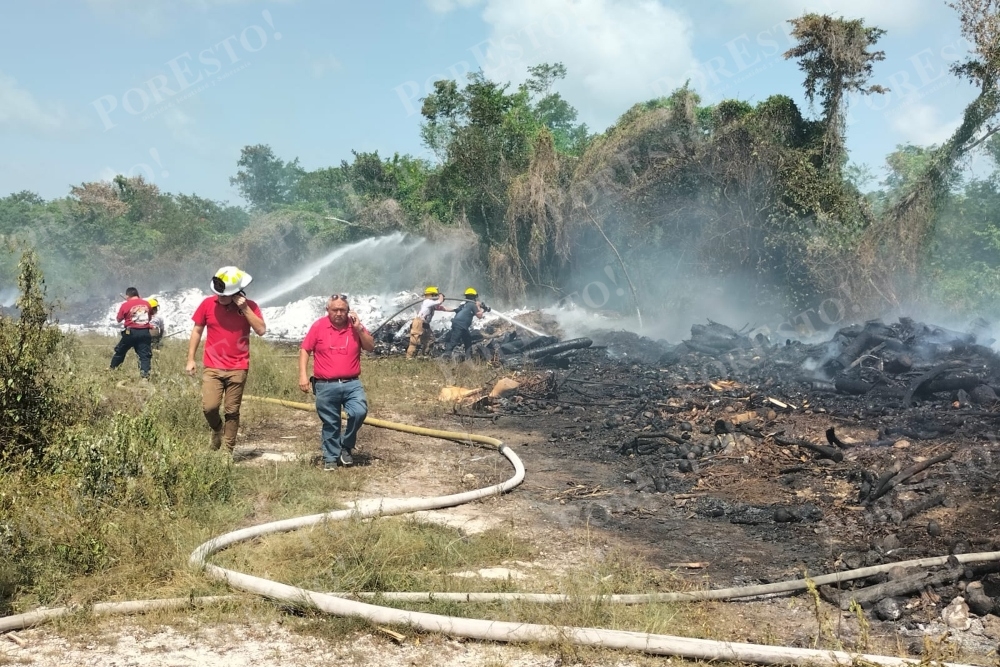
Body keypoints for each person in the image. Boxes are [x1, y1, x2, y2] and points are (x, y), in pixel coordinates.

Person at [185, 266, 266, 454]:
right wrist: (191, 359)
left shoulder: (250, 306)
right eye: (217, 294)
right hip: (212, 366)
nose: (219, 298)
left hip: (238, 367)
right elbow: (197, 330)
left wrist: (244, 308)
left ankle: (227, 452)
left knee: (232, 410)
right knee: (209, 407)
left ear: (237, 293)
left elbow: (261, 330)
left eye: (224, 295)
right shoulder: (207, 304)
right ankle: (217, 430)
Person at [298, 294, 375, 470]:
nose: (339, 313)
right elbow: (305, 349)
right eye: (335, 310)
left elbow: (370, 347)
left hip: (352, 383)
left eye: (343, 310)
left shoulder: (355, 326)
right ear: (328, 310)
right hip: (325, 384)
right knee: (331, 422)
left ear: (349, 311)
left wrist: (359, 329)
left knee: (359, 412)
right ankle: (330, 457)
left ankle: (346, 446)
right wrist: (303, 375)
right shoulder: (318, 326)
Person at [110, 287, 153, 379]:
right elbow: (150, 317)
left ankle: (113, 371)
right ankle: (145, 377)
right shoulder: (146, 304)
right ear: (138, 295)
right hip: (144, 332)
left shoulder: (125, 305)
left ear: (127, 296)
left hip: (130, 333)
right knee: (144, 355)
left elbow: (118, 319)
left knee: (120, 352)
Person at [405, 286, 454, 359]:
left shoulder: (432, 305)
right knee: (414, 341)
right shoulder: (427, 301)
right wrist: (440, 296)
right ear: (431, 295)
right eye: (435, 295)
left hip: (425, 324)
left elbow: (443, 308)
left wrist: (455, 310)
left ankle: (424, 354)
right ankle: (409, 357)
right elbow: (439, 301)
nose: (436, 297)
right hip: (419, 323)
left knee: (430, 339)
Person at [444, 287, 489, 356]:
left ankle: (468, 359)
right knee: (453, 342)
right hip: (460, 325)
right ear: (474, 297)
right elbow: (479, 316)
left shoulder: (463, 305)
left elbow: (454, 310)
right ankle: (445, 358)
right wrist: (478, 306)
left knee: (468, 341)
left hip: (459, 325)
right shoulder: (472, 305)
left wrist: (484, 309)